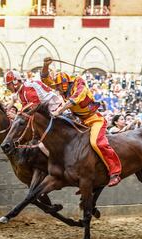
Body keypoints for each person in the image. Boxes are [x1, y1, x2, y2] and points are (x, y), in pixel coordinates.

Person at [41, 57, 122, 187]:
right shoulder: (63, 85)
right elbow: (45, 80)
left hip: (95, 120)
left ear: (65, 84)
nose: (56, 89)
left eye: (58, 87)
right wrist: (45, 65)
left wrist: (59, 111)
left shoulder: (80, 85)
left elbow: (74, 100)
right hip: (81, 122)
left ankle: (115, 172)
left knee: (96, 144)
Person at [5, 70, 62, 156]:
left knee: (42, 144)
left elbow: (35, 107)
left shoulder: (28, 88)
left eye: (8, 84)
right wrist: (8, 108)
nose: (7, 87)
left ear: (15, 81)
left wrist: (16, 116)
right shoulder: (21, 91)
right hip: (47, 110)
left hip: (55, 108)